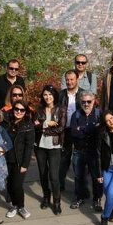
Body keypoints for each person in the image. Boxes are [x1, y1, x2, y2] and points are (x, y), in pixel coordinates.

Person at [34, 84, 67, 215]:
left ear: (54, 96)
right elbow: (34, 126)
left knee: (54, 176)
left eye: (50, 94)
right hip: (40, 147)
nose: (47, 97)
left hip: (54, 146)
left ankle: (57, 202)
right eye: (45, 94)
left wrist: (42, 128)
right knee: (43, 174)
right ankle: (46, 198)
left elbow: (60, 128)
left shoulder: (61, 109)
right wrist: (47, 123)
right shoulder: (39, 109)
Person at [70, 91, 103, 212]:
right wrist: (91, 128)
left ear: (94, 101)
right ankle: (80, 197)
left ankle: (97, 199)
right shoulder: (76, 115)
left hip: (95, 152)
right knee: (79, 177)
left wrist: (82, 129)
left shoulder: (100, 114)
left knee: (97, 177)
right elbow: (74, 133)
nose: (86, 104)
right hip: (79, 151)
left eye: (89, 101)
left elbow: (100, 132)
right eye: (83, 101)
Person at [2, 101, 35, 219]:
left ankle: (21, 206)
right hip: (6, 159)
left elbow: (29, 147)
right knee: (10, 185)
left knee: (17, 185)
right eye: (17, 109)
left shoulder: (28, 126)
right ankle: (14, 206)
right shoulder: (6, 123)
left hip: (19, 161)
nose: (19, 112)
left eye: (22, 110)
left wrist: (25, 164)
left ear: (25, 112)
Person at [58, 69, 84, 191]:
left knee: (79, 159)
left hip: (79, 131)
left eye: (72, 79)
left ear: (77, 79)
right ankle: (60, 183)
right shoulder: (61, 94)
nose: (69, 82)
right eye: (67, 80)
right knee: (64, 159)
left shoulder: (84, 94)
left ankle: (80, 187)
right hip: (65, 130)